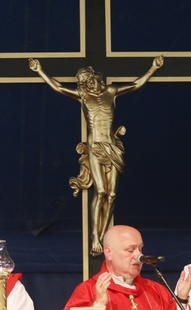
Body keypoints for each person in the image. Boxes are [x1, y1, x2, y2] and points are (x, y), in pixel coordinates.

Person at [29, 56, 164, 257]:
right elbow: (58, 88)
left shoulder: (111, 92)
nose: (88, 83)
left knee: (112, 195)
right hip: (95, 147)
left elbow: (136, 84)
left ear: (95, 78)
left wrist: (153, 68)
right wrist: (40, 70)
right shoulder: (83, 96)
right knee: (100, 191)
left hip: (112, 147)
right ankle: (95, 236)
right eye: (84, 81)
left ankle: (105, 235)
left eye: (90, 79)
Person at [53, 225, 186, 310]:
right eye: (130, 250)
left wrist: (182, 299)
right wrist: (98, 306)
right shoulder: (88, 291)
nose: (138, 256)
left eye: (140, 248)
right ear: (108, 253)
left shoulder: (156, 292)